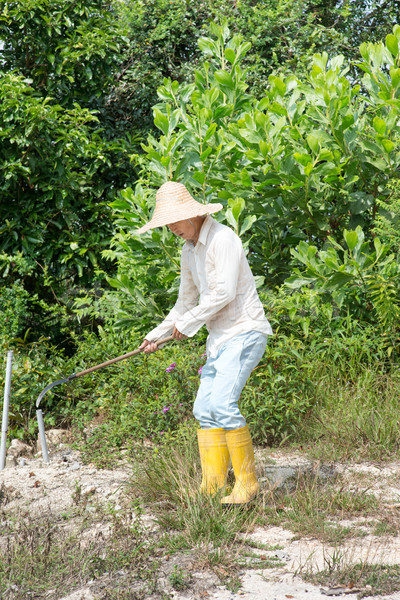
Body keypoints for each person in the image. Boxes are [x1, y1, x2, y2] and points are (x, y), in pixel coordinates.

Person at [136, 181, 272, 505]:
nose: (171, 229)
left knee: (222, 405)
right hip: (219, 339)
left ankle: (248, 485)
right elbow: (185, 303)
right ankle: (213, 485)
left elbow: (224, 293)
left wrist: (187, 324)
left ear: (192, 215)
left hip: (244, 331)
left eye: (174, 221)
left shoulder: (223, 239)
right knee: (203, 409)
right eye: (166, 223)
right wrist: (154, 335)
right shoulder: (188, 251)